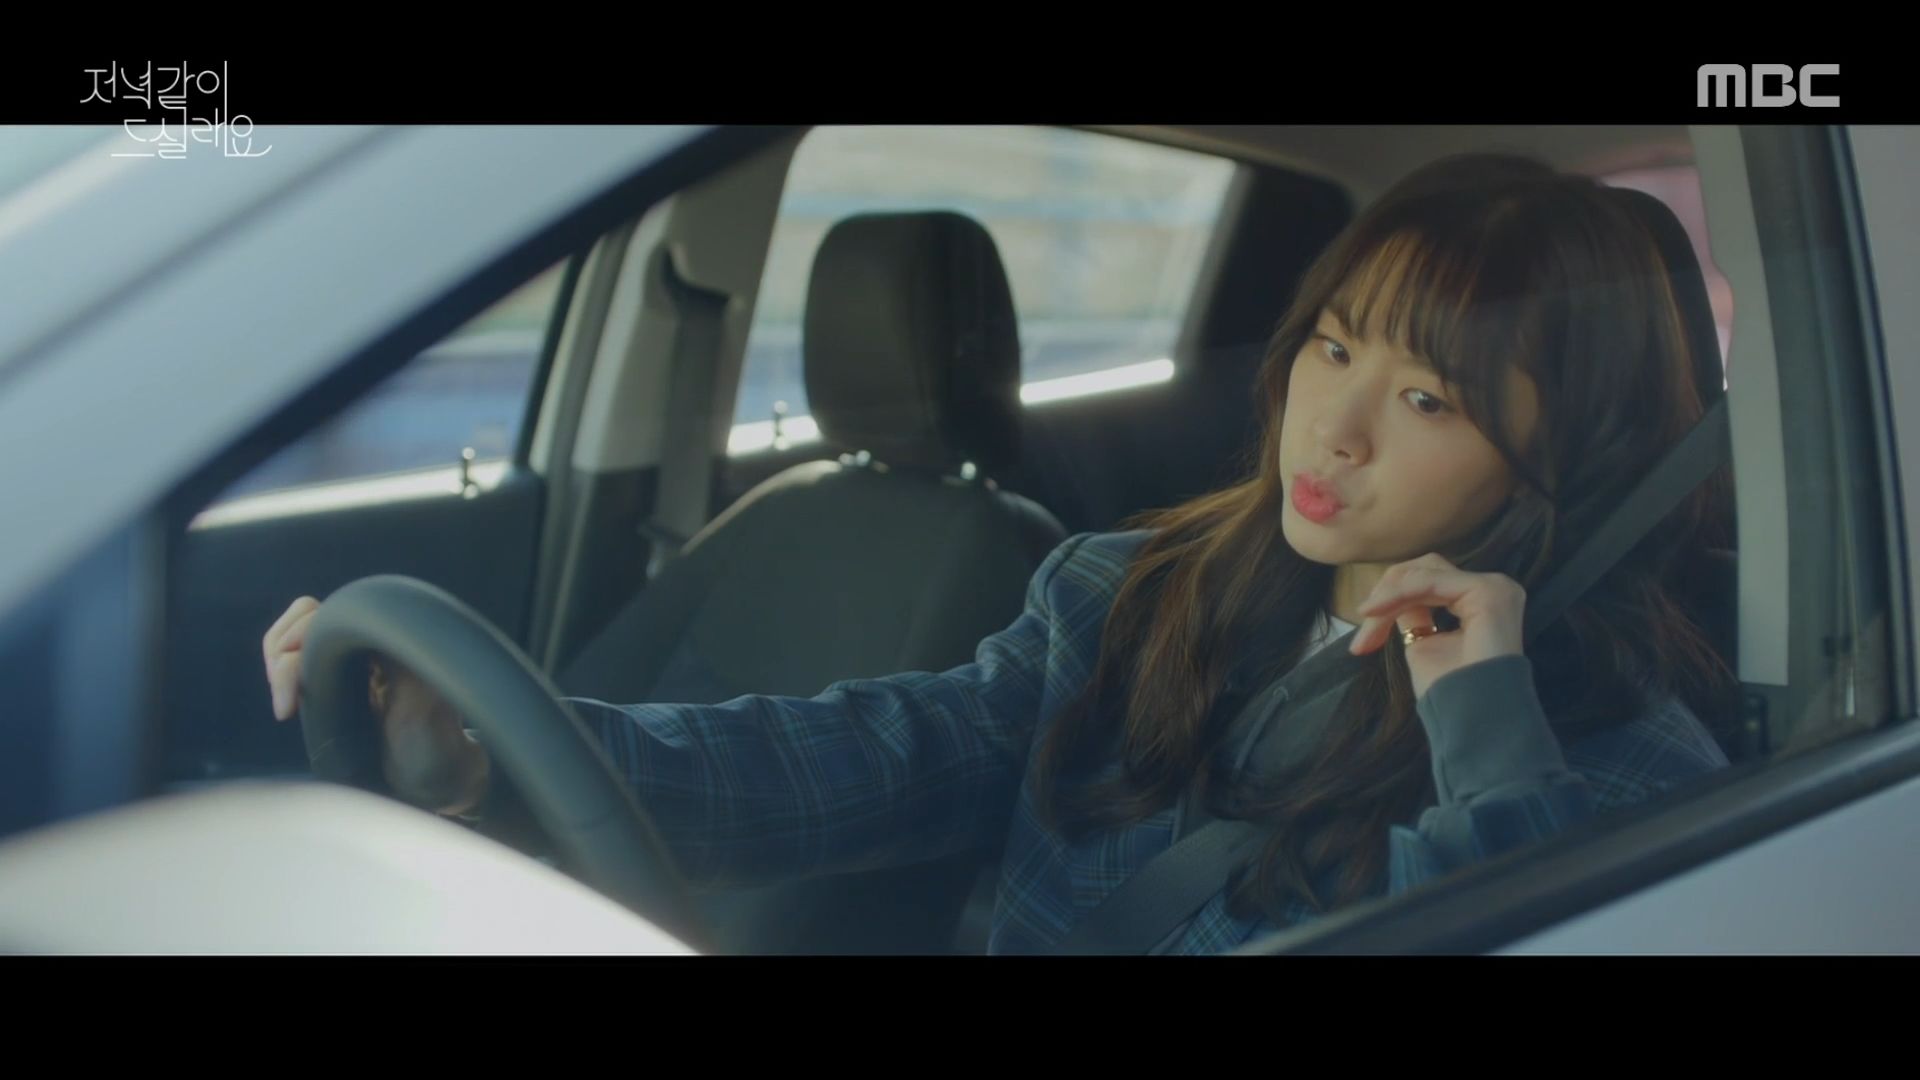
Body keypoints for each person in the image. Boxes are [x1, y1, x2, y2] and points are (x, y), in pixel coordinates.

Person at [260, 152, 1737, 955]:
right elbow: (873, 756)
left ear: (1568, 456)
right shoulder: (1129, 589)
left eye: (1428, 399)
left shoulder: (1621, 768)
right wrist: (494, 758)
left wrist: (1483, 736)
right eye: (1334, 347)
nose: (1333, 429)